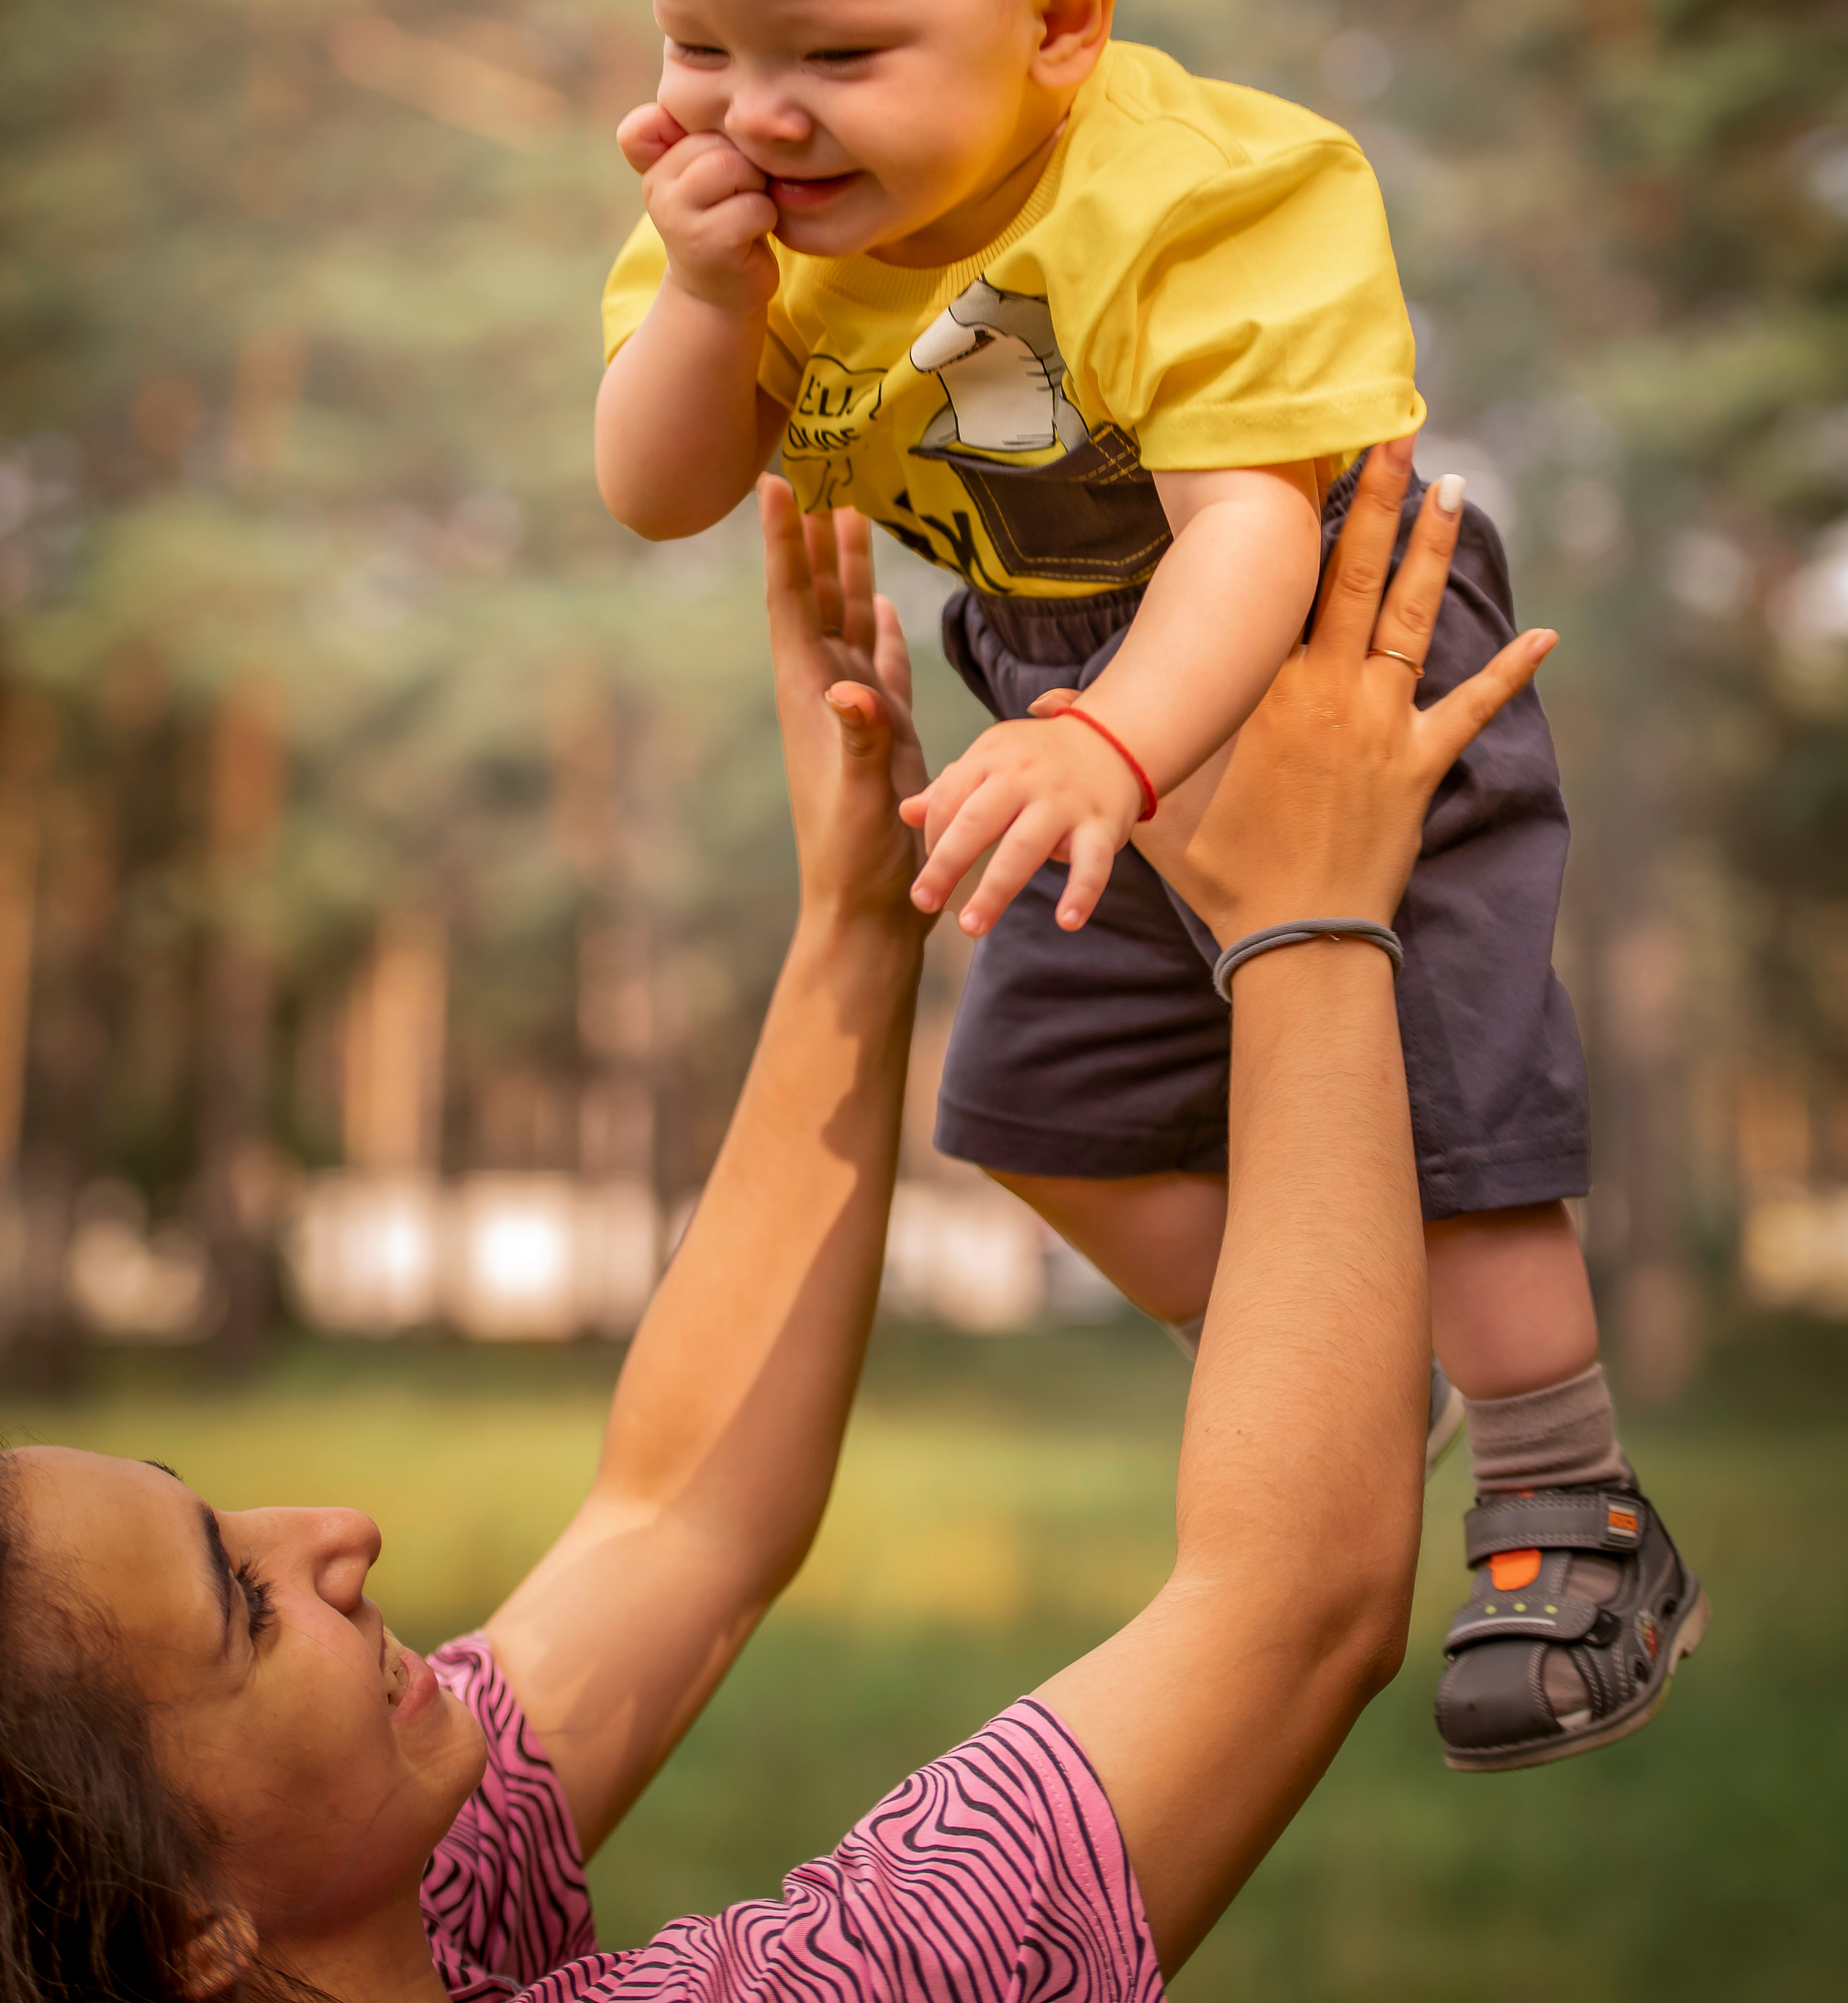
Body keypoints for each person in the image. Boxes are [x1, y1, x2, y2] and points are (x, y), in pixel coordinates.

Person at [0, 449, 1703, 2002]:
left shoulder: (382, 1903)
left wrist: (850, 920)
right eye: (239, 1603)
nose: (333, 1531)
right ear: (182, 1933)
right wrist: (1312, 911)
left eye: (218, 1510)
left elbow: (675, 1516)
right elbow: (1290, 1604)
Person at [592, 0, 1699, 1767]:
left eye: (832, 48)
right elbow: (656, 491)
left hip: (1325, 652)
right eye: (697, 41)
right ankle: (1359, 1372)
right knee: (1036, 1113)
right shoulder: (757, 239)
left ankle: (1571, 1497)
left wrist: (1116, 737)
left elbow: (1254, 538)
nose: (754, 112)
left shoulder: (1199, 192)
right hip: (1053, 694)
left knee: (1443, 1105)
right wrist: (717, 297)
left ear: (1062, 20)